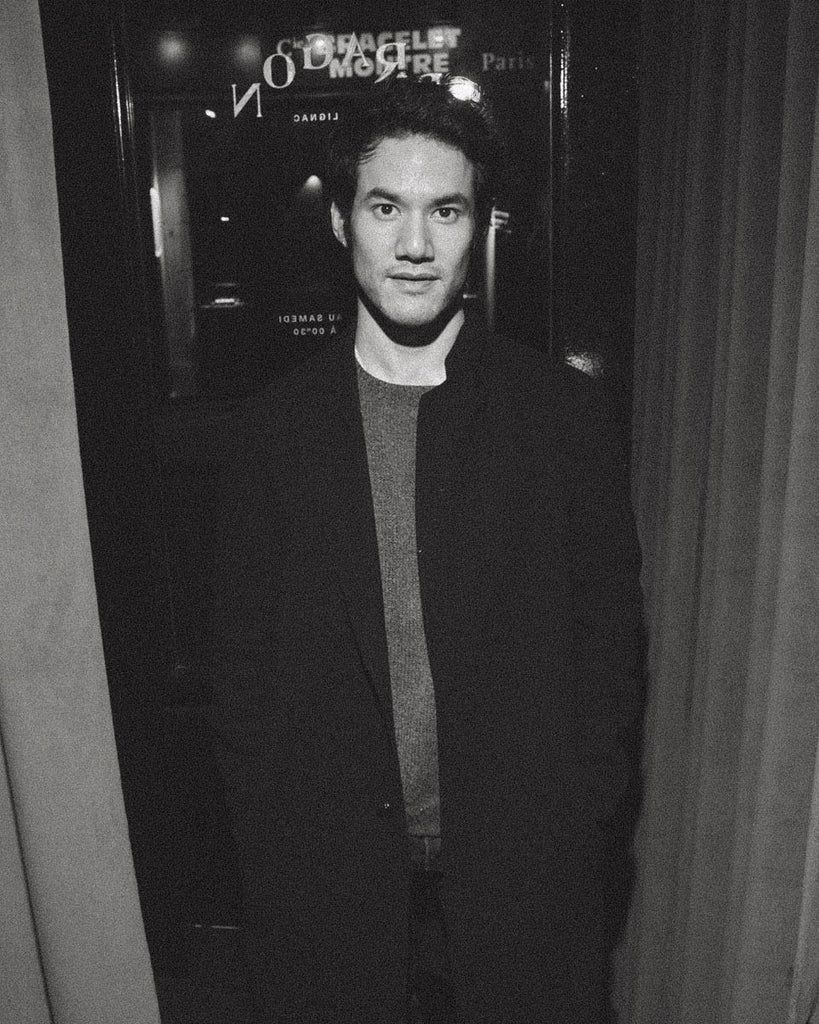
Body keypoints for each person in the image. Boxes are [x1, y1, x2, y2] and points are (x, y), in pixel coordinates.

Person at [210, 73, 645, 1024]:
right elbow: (239, 668)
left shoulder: (562, 420)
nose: (415, 244)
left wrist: (580, 818)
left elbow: (608, 644)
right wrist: (269, 830)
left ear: (478, 225)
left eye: (445, 210)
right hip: (323, 883)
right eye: (385, 207)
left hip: (524, 878)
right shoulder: (267, 434)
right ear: (341, 222)